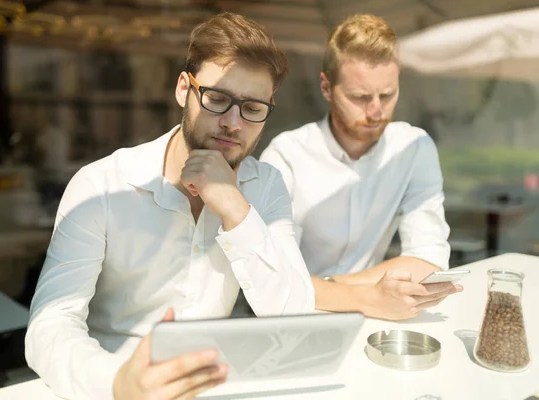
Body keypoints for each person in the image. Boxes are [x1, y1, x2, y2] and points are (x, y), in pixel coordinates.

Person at [25, 12, 315, 400]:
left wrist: (233, 207)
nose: (233, 122)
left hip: (217, 388)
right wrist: (116, 383)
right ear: (184, 89)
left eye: (253, 108)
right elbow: (49, 326)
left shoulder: (266, 186)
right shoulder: (101, 186)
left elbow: (295, 317)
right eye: (216, 99)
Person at [260, 14, 462, 321]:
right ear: (326, 88)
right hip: (295, 320)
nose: (376, 111)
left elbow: (429, 260)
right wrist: (371, 295)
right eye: (360, 97)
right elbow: (274, 280)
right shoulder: (285, 156)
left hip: (368, 317)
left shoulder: (414, 148)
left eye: (388, 94)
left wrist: (331, 289)